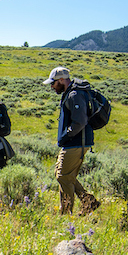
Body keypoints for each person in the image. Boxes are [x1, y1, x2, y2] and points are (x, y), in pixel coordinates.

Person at [43, 66, 100, 214]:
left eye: (53, 83)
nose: (52, 86)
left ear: (61, 80)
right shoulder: (72, 93)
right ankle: (89, 202)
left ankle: (66, 211)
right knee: (62, 174)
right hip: (75, 142)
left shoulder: (74, 95)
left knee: (64, 176)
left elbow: (79, 122)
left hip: (76, 142)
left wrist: (66, 136)